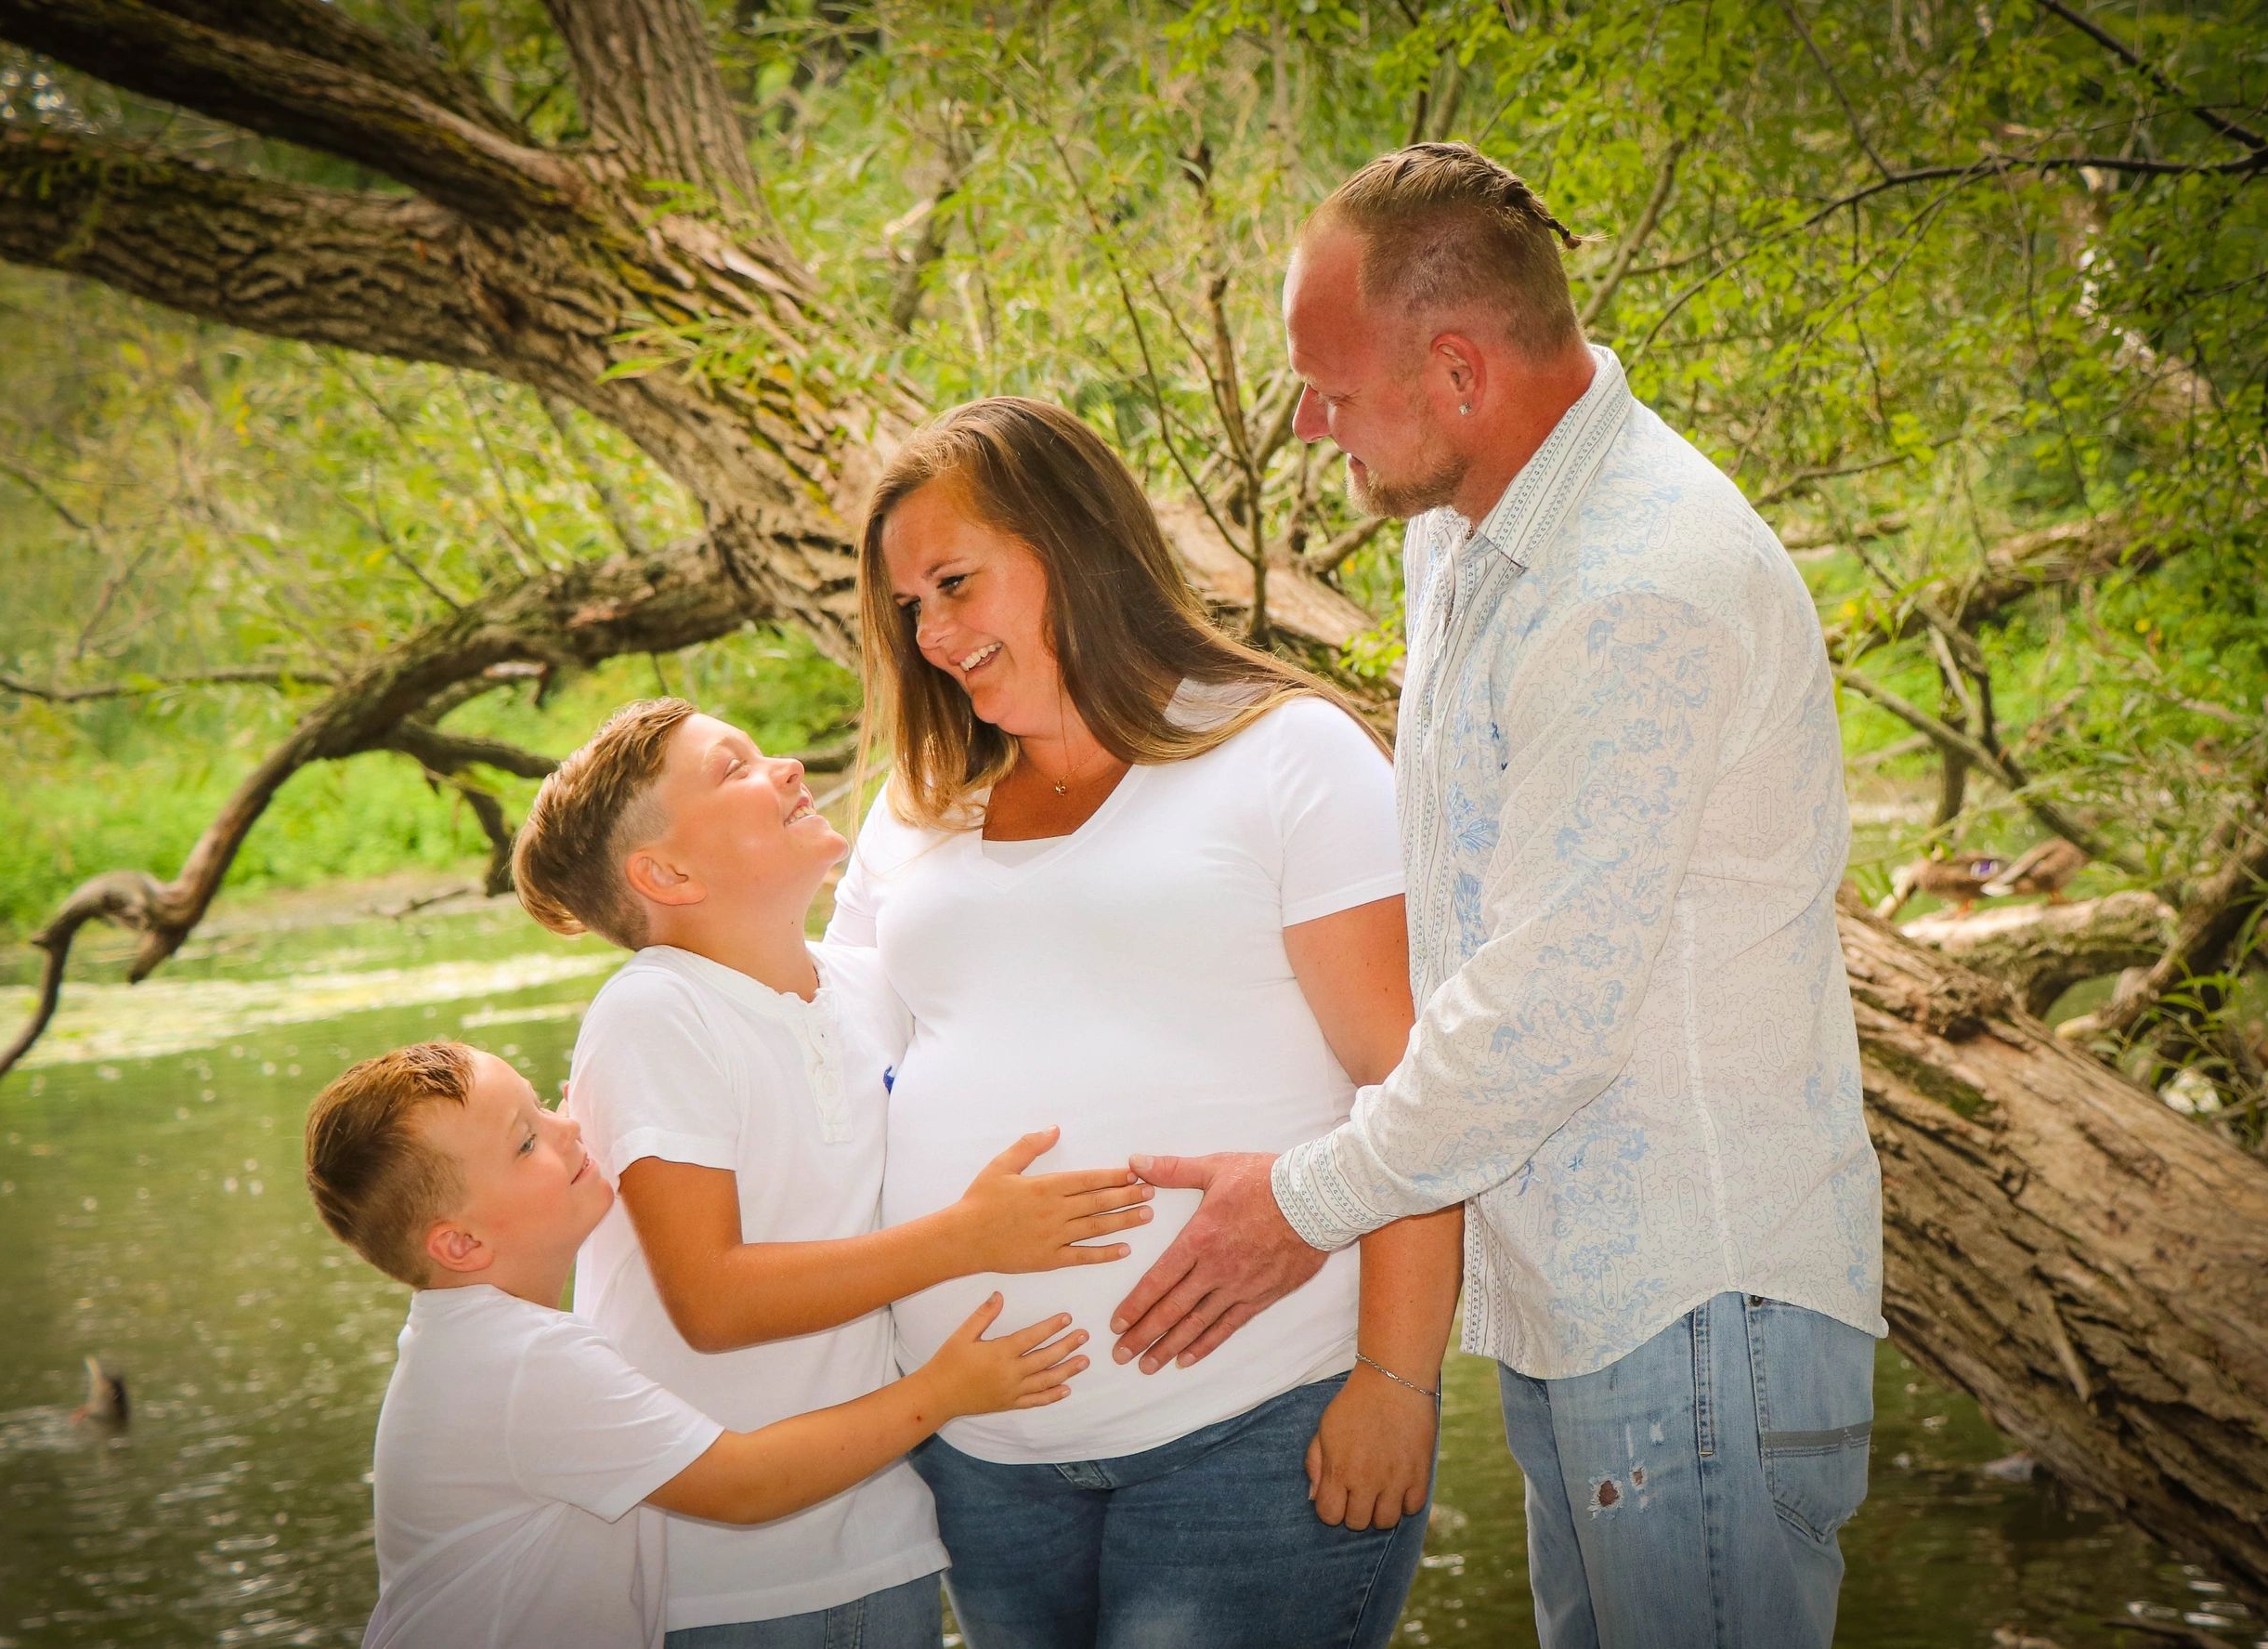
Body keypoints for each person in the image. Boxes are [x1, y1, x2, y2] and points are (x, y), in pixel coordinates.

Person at [1108, 143, 1888, 1649]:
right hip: (1576, 1310)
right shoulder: (1460, 538)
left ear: (1457, 369)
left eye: (1328, 387)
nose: (1306, 421)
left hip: (1696, 1313)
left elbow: (1545, 1017)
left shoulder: (1637, 584)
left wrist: (1301, 1202)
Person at [834, 396, 1465, 1649]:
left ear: (1070, 542)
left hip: (1254, 1427)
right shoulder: (919, 806)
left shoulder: (1281, 753)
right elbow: (834, 1061)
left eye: (956, 582)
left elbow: (1416, 1082)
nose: (937, 633)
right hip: (979, 1460)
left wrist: (1399, 1379)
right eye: (911, 607)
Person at [511, 698, 1155, 1647]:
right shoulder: (654, 1009)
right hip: (710, 1585)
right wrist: (971, 1237)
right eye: (730, 768)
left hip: (882, 1540)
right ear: (667, 872)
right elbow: (712, 1298)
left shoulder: (861, 984)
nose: (783, 766)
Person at [301, 1039, 1088, 1649]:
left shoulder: (472, 1343)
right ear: (461, 1243)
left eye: (544, 1104)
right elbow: (745, 1485)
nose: (570, 1125)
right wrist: (946, 1389)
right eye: (526, 1141)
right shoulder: (520, 1362)